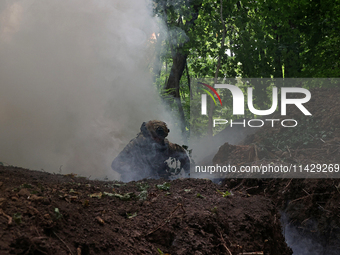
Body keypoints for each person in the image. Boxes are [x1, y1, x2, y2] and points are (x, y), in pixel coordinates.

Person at [111, 120, 190, 182]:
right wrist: (133, 171)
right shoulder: (136, 144)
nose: (158, 140)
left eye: (161, 137)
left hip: (159, 181)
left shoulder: (167, 146)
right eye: (155, 137)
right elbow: (116, 164)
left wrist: (187, 175)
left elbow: (183, 156)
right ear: (148, 135)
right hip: (136, 181)